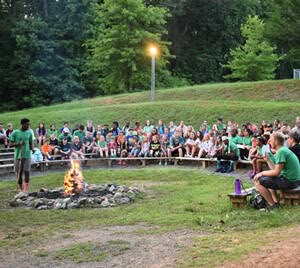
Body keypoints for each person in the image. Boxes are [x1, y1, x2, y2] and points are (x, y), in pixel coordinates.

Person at [254, 132, 300, 210]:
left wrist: (261, 173)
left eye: (270, 139)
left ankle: (272, 205)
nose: (269, 142)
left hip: (290, 181)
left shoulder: (281, 152)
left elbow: (276, 172)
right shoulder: (283, 150)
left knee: (257, 181)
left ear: (276, 141)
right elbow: (275, 170)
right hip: (294, 180)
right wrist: (267, 159)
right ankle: (275, 201)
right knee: (267, 178)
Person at [9, 118, 34, 192]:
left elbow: (30, 143)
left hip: (27, 155)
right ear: (22, 124)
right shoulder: (15, 132)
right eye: (27, 124)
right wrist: (19, 143)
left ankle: (25, 190)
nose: (28, 126)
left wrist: (32, 148)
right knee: (19, 173)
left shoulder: (29, 132)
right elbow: (10, 144)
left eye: (29, 124)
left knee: (27, 172)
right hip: (18, 156)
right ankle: (21, 189)